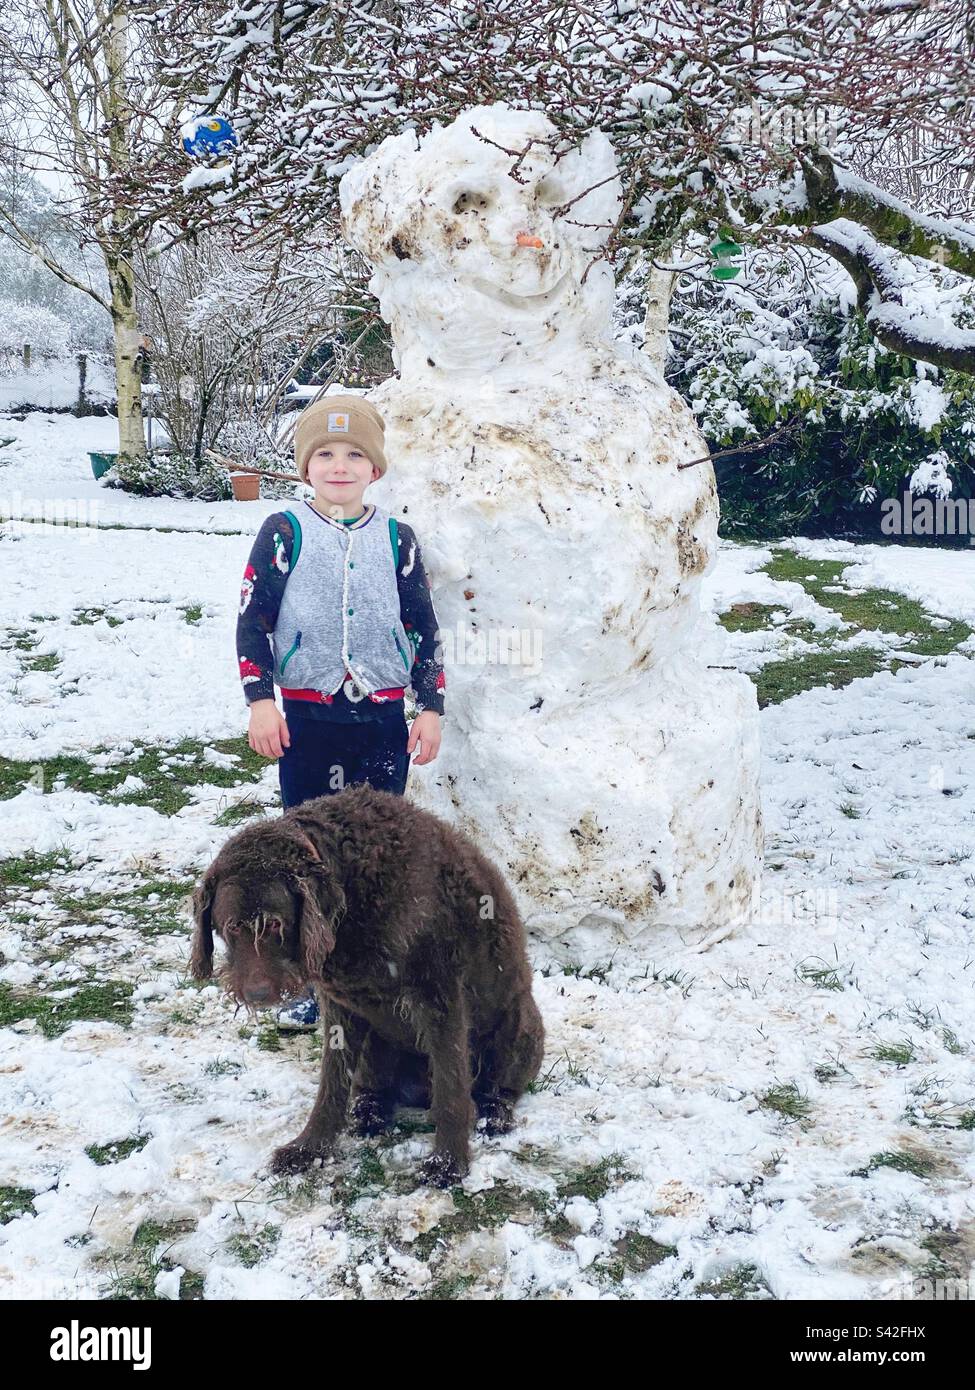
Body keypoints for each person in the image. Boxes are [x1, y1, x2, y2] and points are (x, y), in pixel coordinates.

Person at [235, 393, 445, 1028]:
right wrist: (261, 702)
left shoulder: (397, 539)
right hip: (308, 720)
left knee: (381, 851)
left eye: (355, 454)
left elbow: (423, 627)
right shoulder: (284, 532)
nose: (339, 465)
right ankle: (306, 979)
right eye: (324, 454)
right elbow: (254, 623)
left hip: (380, 722)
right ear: (305, 466)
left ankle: (375, 972)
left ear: (374, 468)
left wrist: (428, 706)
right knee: (303, 853)